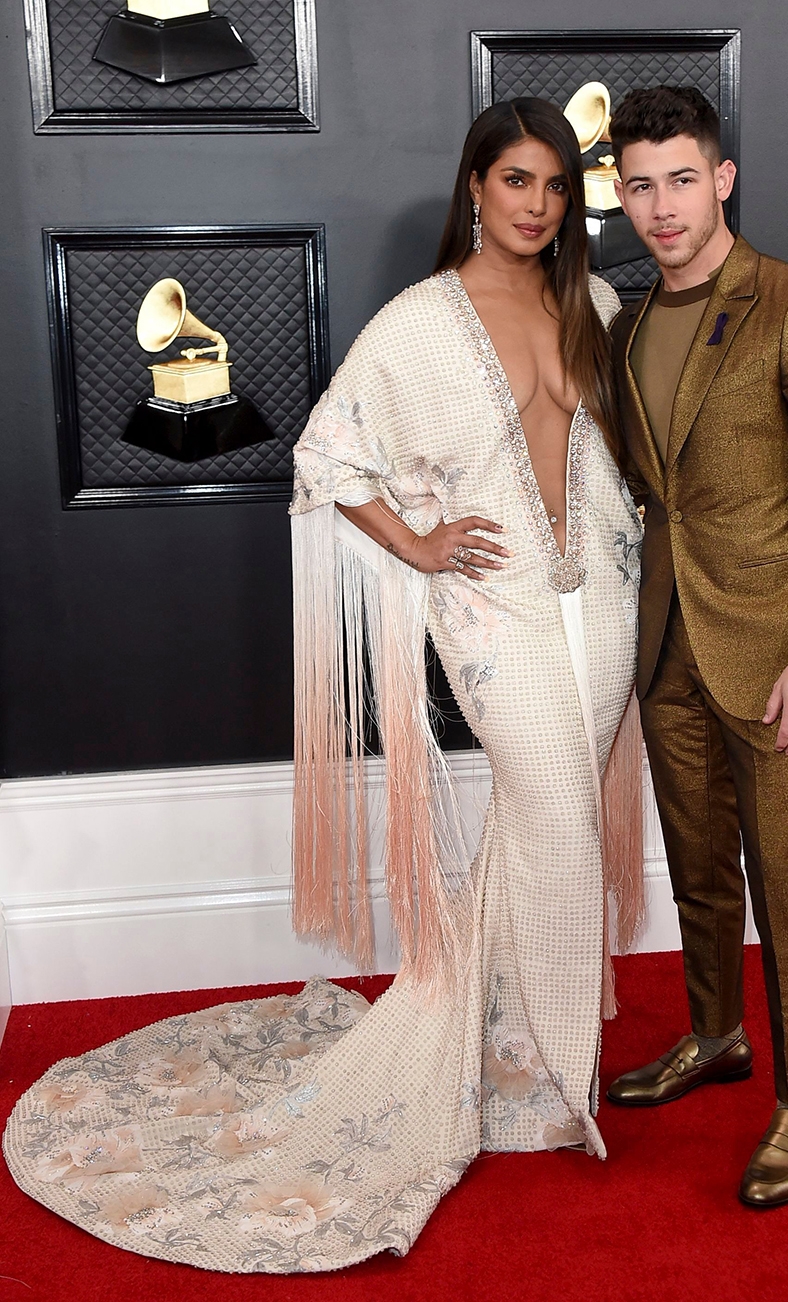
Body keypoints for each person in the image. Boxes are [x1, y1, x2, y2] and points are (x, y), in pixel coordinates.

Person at [2, 98, 646, 1273]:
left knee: (540, 823)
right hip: (491, 609)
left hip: (599, 598)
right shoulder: (418, 323)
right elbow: (325, 455)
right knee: (551, 811)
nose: (537, 205)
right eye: (516, 180)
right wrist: (414, 544)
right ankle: (554, 1075)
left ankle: (508, 1048)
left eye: (555, 186)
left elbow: (614, 458)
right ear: (474, 187)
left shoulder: (594, 304)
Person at [603, 86, 788, 1207]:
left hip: (773, 652)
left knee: (785, 876)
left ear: (721, 179)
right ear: (618, 197)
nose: (662, 206)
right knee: (697, 867)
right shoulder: (627, 325)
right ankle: (713, 1034)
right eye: (639, 185)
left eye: (681, 178)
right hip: (663, 640)